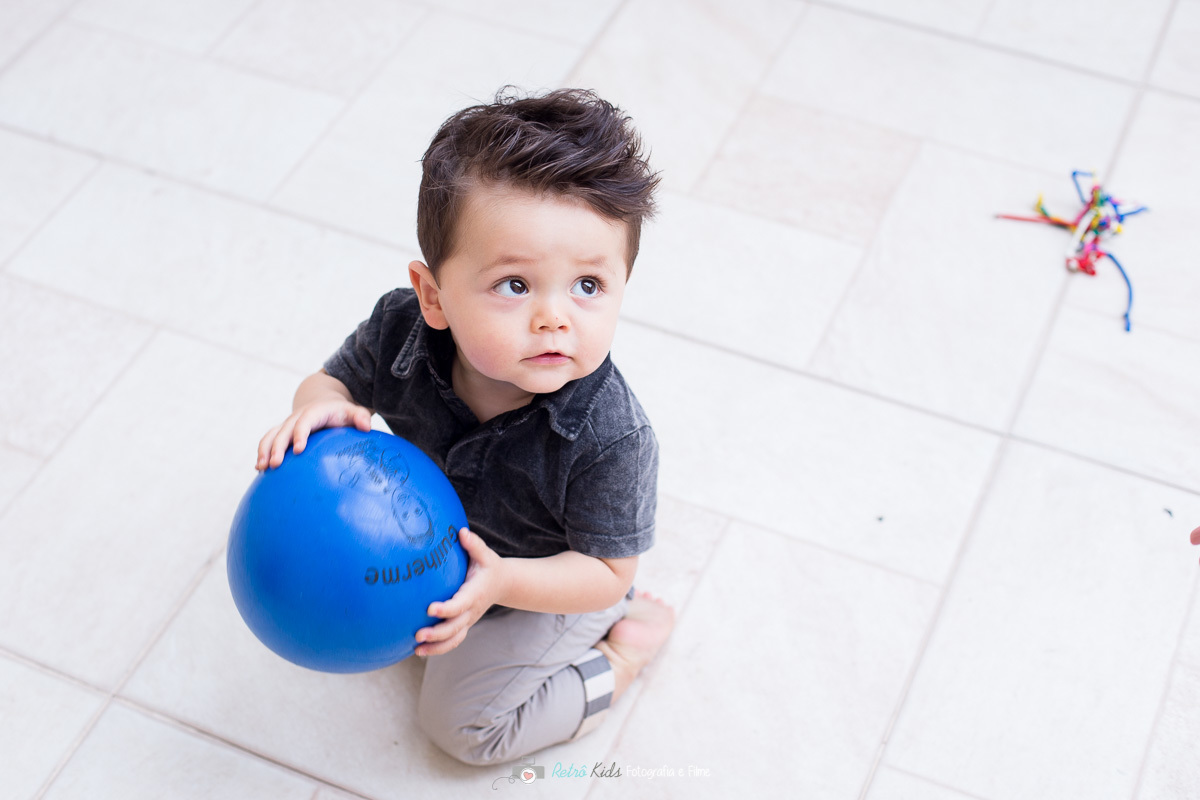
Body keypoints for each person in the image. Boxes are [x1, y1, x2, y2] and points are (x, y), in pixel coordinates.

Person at [255, 87, 675, 766]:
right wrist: (315, 407)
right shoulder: (401, 329)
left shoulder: (611, 436)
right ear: (433, 297)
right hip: (438, 554)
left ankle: (621, 654)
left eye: (589, 286)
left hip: (542, 590)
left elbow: (604, 569)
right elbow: (331, 384)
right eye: (515, 284)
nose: (554, 317)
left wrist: (503, 584)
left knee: (462, 731)